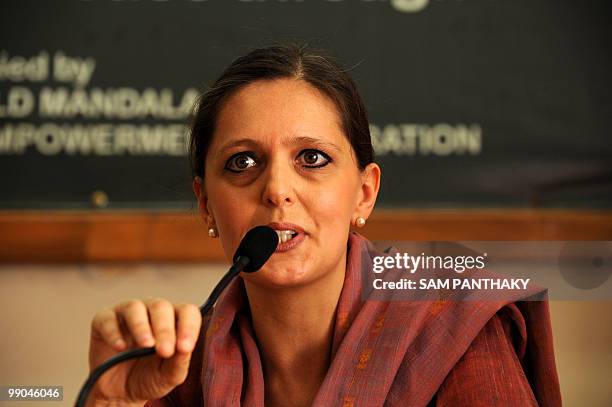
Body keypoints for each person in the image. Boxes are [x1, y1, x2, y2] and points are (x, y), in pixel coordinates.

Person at [87, 44, 562, 407]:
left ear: (364, 193)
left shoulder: (450, 331)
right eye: (242, 162)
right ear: (207, 205)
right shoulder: (179, 364)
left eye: (312, 158)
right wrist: (109, 403)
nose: (276, 189)